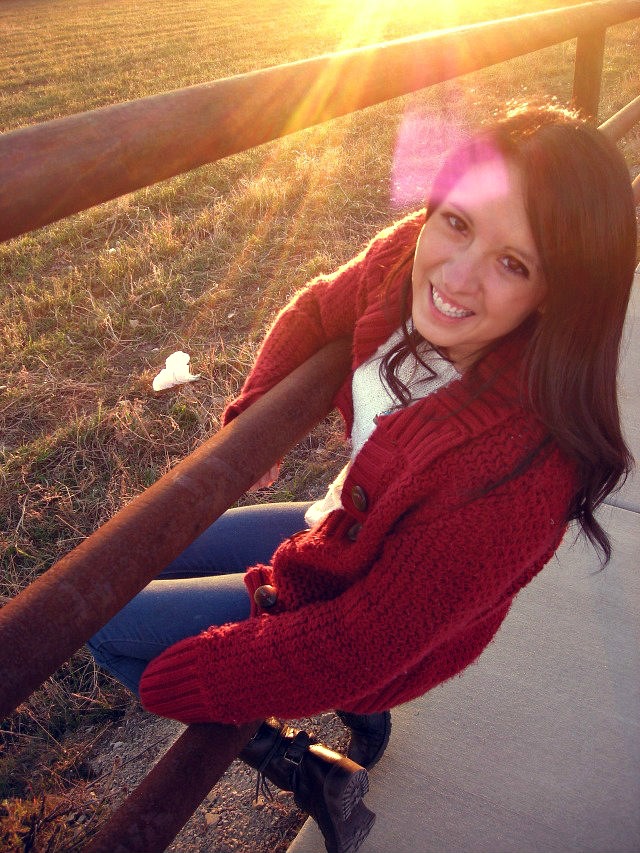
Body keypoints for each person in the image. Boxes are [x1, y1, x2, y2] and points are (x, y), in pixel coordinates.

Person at [88, 103, 636, 853]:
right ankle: (358, 720)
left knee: (106, 626)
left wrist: (207, 680)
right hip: (338, 530)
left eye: (514, 263)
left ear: (555, 292)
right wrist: (253, 415)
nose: (456, 275)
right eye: (457, 221)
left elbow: (363, 643)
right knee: (140, 551)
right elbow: (320, 307)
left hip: (371, 627)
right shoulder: (404, 255)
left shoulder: (518, 479)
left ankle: (302, 763)